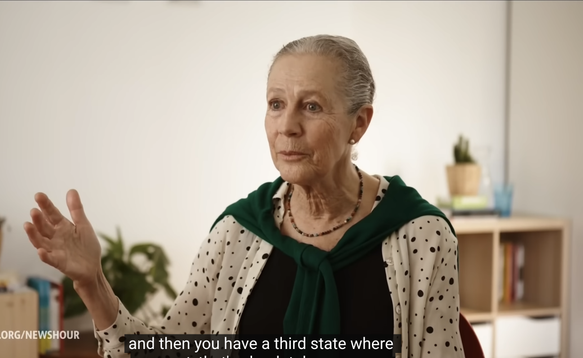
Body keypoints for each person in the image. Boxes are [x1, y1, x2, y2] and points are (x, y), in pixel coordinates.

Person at [25, 35, 465, 358]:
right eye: (276, 104)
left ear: (359, 123)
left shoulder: (420, 236)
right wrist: (91, 283)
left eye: (311, 107)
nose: (287, 126)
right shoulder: (238, 232)